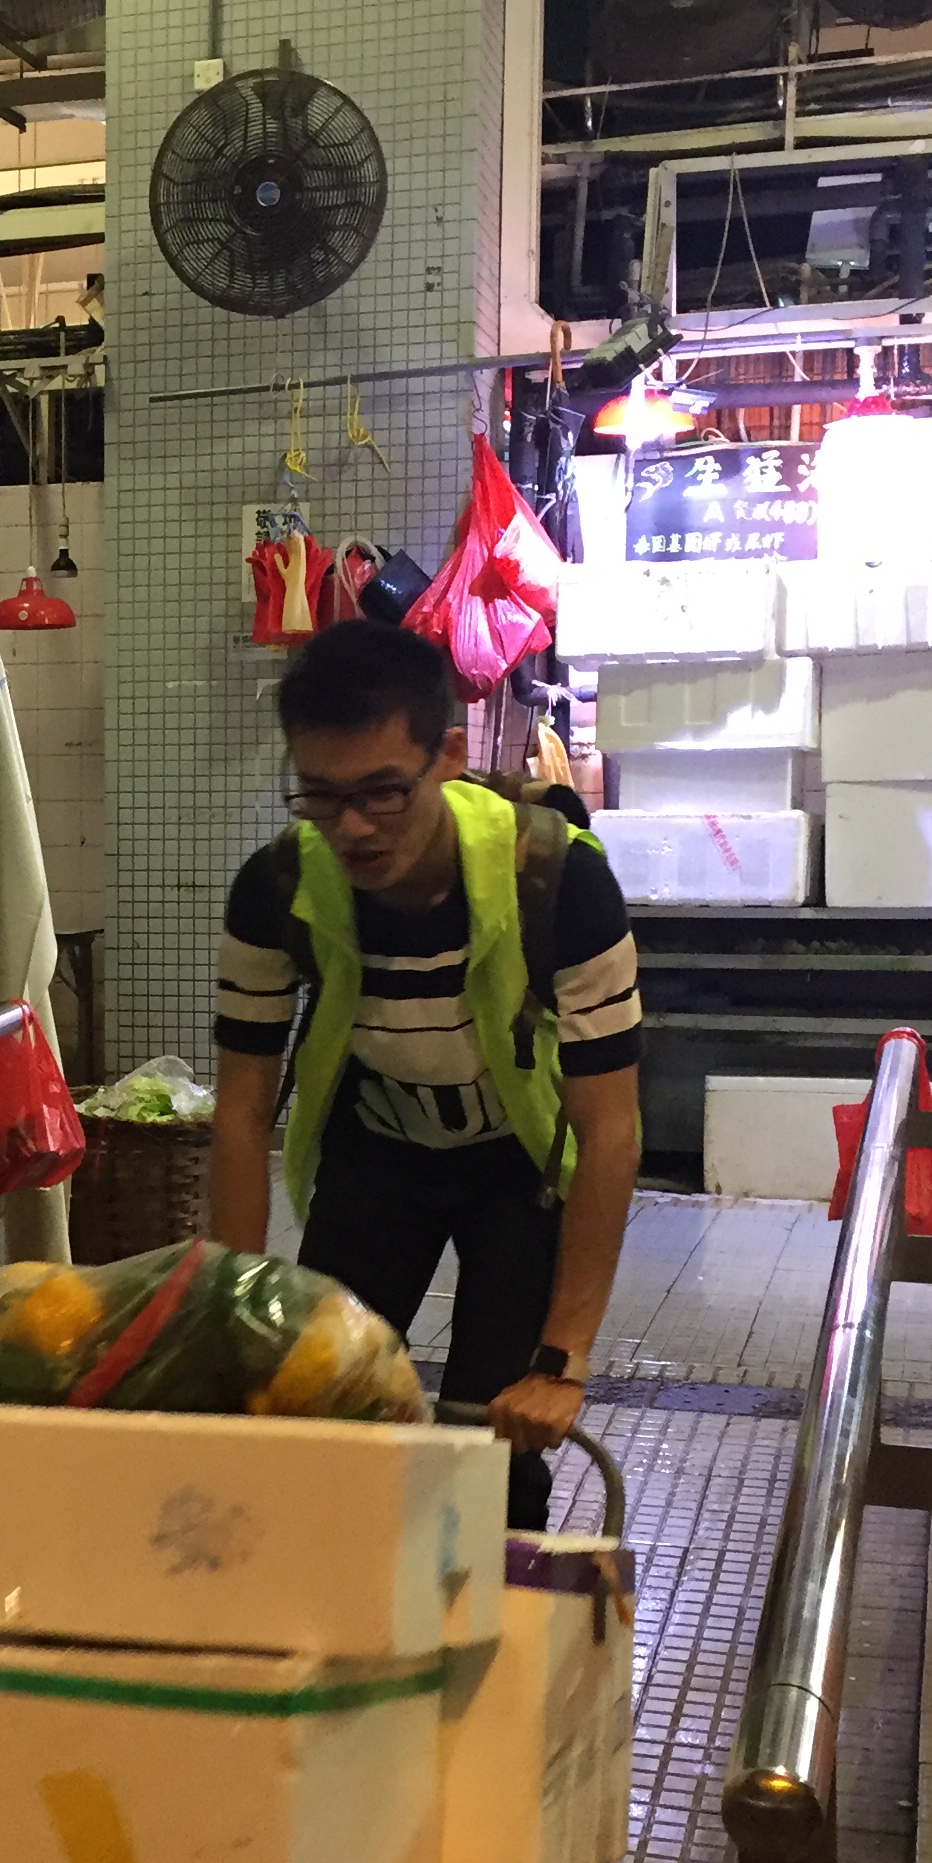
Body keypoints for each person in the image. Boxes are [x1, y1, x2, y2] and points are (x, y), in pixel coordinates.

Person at [207, 622, 641, 1523]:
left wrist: (563, 1359)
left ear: (447, 755)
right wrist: (236, 1316)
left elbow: (610, 1131)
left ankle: (488, 1644)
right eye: (321, 798)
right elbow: (242, 1116)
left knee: (495, 1445)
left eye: (382, 794)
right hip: (378, 1158)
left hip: (520, 1172)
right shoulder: (274, 889)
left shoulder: (561, 880)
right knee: (318, 1413)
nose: (354, 829)